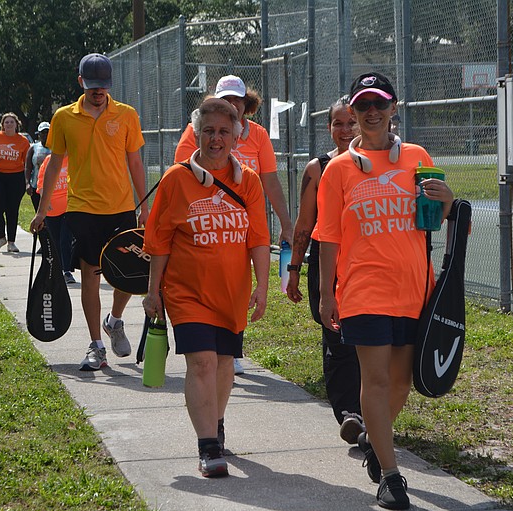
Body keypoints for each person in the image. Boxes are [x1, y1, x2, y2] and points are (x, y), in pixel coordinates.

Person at [317, 72, 454, 510]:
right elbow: (330, 236)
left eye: (379, 103)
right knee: (374, 379)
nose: (371, 112)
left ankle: (376, 445)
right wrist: (326, 293)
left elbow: (432, 217)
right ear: (353, 113)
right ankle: (392, 478)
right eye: (362, 105)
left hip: (414, 287)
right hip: (363, 289)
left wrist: (447, 200)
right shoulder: (338, 170)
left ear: (394, 108)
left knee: (400, 382)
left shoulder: (416, 156)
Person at [143, 98, 271, 478]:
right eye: (209, 131)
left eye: (224, 132)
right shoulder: (176, 179)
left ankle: (215, 422)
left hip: (230, 293)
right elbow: (160, 241)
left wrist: (262, 287)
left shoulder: (247, 181)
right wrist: (154, 292)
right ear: (197, 134)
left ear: (236, 136)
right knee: (202, 362)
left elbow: (259, 239)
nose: (217, 139)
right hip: (187, 293)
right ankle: (208, 446)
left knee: (224, 364)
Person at [29, 53, 149, 371]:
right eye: (93, 86)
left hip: (122, 208)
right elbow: (54, 163)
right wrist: (42, 210)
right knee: (91, 276)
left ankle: (116, 319)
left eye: (104, 86)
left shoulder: (126, 115)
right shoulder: (64, 117)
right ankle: (96, 346)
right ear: (81, 82)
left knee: (127, 274)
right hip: (82, 210)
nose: (98, 92)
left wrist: (146, 207)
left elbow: (135, 162)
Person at [175, 74, 293, 376]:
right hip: (205, 222)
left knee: (236, 280)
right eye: (224, 99)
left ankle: (230, 345)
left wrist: (286, 222)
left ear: (246, 104)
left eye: (236, 100)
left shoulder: (259, 136)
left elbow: (270, 181)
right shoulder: (195, 131)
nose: (231, 105)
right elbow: (180, 174)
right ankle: (212, 344)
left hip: (242, 221)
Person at [285, 96, 364, 445]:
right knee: (335, 336)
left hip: (366, 262)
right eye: (338, 124)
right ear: (329, 127)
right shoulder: (317, 169)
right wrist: (294, 269)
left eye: (351, 122)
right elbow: (304, 225)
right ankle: (350, 412)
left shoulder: (377, 164)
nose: (345, 130)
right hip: (326, 262)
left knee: (368, 335)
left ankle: (365, 409)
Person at [0, 112, 31, 253]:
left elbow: (27, 163)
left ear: (17, 124)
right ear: (2, 125)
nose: (9, 124)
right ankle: (1, 238)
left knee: (12, 210)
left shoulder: (23, 141)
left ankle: (11, 242)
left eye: (11, 122)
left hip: (16, 178)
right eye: (6, 122)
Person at [36, 153, 76, 284]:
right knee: (55, 241)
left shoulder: (74, 159)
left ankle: (67, 271)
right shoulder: (49, 160)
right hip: (52, 211)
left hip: (69, 208)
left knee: (66, 239)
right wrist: (45, 202)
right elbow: (41, 184)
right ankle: (56, 271)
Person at [26, 121, 52, 211]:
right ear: (39, 134)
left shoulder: (57, 146)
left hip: (53, 185)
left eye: (47, 132)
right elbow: (28, 167)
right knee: (38, 211)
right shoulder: (33, 148)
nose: (45, 135)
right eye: (43, 133)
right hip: (36, 185)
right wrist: (27, 183)